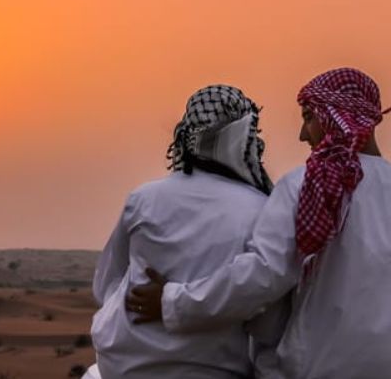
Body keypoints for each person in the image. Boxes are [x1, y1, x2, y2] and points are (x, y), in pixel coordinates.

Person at [127, 68, 391, 379]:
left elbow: (262, 276)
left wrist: (174, 303)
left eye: (308, 117)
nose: (302, 134)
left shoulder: (306, 185)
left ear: (336, 115)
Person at [89, 85, 284, 379]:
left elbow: (106, 284)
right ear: (245, 140)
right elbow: (267, 309)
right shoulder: (262, 210)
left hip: (125, 364)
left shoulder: (143, 198)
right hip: (217, 368)